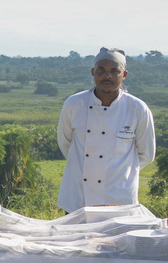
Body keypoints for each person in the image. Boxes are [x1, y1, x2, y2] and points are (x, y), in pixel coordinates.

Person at [56, 47, 155, 212]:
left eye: (114, 71)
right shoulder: (74, 104)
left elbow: (147, 155)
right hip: (79, 197)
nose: (107, 76)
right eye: (101, 71)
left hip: (119, 198)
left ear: (124, 75)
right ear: (93, 72)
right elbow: (65, 143)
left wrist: (120, 175)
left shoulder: (137, 108)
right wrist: (86, 166)